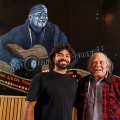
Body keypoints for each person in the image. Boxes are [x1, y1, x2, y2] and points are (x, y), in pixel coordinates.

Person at [0, 4, 68, 76]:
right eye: (39, 15)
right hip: (19, 75)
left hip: (44, 75)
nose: (43, 17)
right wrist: (10, 59)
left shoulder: (54, 30)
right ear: (30, 17)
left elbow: (67, 49)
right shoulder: (19, 31)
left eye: (45, 14)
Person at [23, 43, 78, 120]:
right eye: (60, 55)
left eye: (67, 56)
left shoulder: (74, 82)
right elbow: (29, 108)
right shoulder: (40, 78)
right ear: (53, 58)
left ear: (70, 59)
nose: (64, 58)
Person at [75, 52, 120, 120]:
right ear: (90, 66)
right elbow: (76, 104)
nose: (97, 65)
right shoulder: (82, 82)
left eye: (101, 62)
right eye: (94, 62)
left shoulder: (117, 82)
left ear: (107, 66)